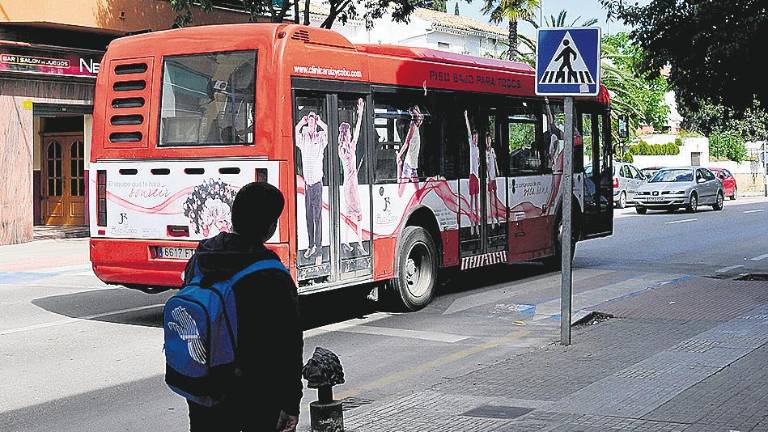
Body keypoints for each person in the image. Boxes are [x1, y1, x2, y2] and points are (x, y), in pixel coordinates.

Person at [182, 182, 302, 432]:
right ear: (270, 227)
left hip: (204, 383)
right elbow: (288, 346)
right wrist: (291, 403)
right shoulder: (272, 274)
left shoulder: (200, 259)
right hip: (256, 391)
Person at [295, 112, 328, 259]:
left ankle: (319, 248)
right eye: (309, 122)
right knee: (308, 217)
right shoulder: (303, 139)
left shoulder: (320, 137)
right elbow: (295, 132)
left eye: (313, 122)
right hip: (308, 184)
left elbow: (328, 132)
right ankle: (310, 246)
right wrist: (301, 123)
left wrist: (320, 122)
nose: (311, 125)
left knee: (318, 217)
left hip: (317, 184)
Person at [338, 98, 367, 255]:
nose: (350, 134)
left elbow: (356, 131)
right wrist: (360, 112)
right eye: (348, 132)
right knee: (359, 215)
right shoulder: (349, 147)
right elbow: (357, 130)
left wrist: (360, 113)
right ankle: (360, 245)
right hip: (352, 185)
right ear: (346, 134)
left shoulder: (342, 149)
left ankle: (346, 242)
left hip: (347, 185)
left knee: (349, 214)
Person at [464, 110, 481, 236]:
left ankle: (477, 226)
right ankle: (471, 225)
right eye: (474, 138)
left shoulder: (478, 148)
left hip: (477, 177)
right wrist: (466, 117)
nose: (475, 139)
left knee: (476, 202)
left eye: (476, 138)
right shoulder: (471, 146)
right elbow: (469, 132)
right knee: (471, 202)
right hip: (472, 176)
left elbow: (479, 162)